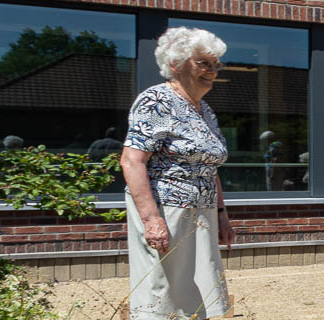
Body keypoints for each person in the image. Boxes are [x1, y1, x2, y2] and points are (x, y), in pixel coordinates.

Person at [119, 26, 233, 320]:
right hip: (166, 210)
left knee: (199, 288)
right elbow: (132, 161)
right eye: (203, 63)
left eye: (215, 64)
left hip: (202, 212)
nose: (212, 70)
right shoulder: (156, 101)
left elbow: (209, 165)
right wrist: (151, 219)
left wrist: (221, 214)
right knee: (164, 292)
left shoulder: (204, 109)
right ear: (175, 64)